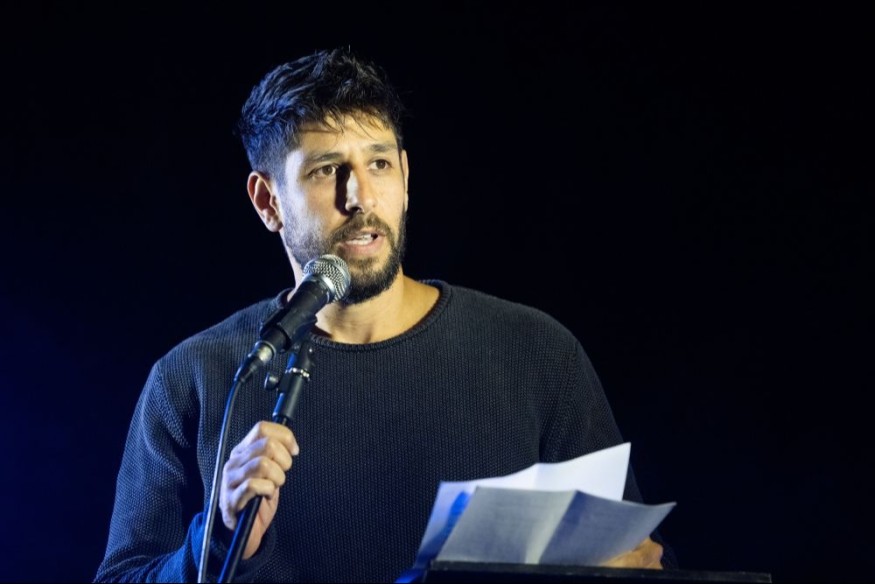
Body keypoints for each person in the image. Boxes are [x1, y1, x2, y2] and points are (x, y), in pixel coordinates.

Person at [94, 46, 675, 583]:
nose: (361, 199)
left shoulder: (536, 353)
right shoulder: (194, 378)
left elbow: (641, 559)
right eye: (326, 170)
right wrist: (218, 539)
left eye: (378, 163)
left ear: (406, 176)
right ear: (268, 201)